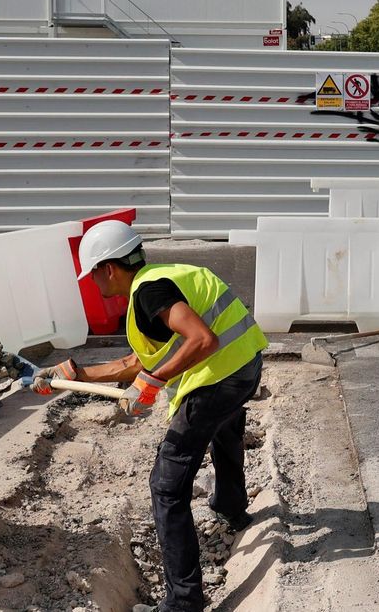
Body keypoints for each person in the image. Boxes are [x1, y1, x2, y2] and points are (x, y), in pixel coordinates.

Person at [33, 220, 267, 612]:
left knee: (166, 486)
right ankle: (231, 507)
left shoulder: (148, 291)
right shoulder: (162, 278)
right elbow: (139, 360)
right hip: (244, 366)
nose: (93, 282)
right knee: (225, 428)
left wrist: (153, 382)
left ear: (108, 268)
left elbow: (201, 340)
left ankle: (183, 601)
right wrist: (75, 373)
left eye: (93, 273)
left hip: (218, 380)